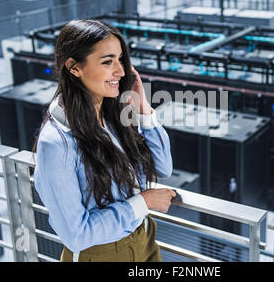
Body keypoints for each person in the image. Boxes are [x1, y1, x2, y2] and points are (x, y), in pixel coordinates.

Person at [33, 19, 176, 262]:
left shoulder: (114, 116)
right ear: (74, 67)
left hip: (143, 238)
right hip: (101, 253)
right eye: (108, 62)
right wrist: (142, 202)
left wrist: (144, 110)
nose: (120, 71)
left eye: (120, 59)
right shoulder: (56, 143)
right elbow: (76, 235)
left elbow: (163, 167)